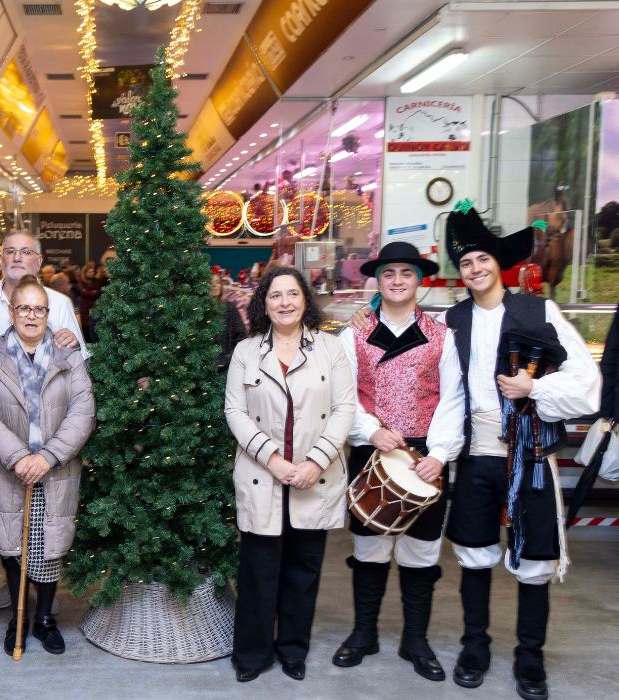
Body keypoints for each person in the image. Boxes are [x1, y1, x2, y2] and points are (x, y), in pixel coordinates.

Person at [437, 205, 599, 700]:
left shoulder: (539, 311)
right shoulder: (454, 320)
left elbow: (587, 385)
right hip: (478, 452)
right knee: (474, 553)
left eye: (482, 260)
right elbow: (451, 395)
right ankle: (475, 646)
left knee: (536, 557)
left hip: (529, 451)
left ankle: (530, 656)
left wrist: (534, 387)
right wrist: (443, 452)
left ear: (498, 263)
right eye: (466, 264)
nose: (475, 270)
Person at [330, 242, 465, 682]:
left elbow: (452, 399)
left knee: (421, 551)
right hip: (373, 452)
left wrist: (440, 455)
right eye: (389, 273)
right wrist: (370, 431)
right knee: (369, 548)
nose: (397, 280)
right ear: (378, 280)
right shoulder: (353, 335)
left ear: (418, 280)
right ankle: (364, 633)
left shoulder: (442, 336)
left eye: (406, 273)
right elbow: (344, 396)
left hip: (426, 456)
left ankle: (415, 639)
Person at [224, 266, 356, 683]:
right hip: (264, 474)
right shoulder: (247, 351)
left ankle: (293, 650)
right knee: (258, 572)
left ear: (305, 300)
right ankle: (252, 654)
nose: (285, 302)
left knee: (303, 571)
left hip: (313, 475)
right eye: (275, 295)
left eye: (292, 294)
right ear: (264, 303)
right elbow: (235, 411)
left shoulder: (330, 348)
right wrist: (273, 459)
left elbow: (344, 409)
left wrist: (316, 461)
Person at [0, 274, 95, 656]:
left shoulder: (67, 357)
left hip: (54, 472)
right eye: (24, 307)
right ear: (11, 311)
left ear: (48, 312)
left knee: (49, 547)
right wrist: (19, 457)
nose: (31, 315)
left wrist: (48, 456)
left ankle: (43, 619)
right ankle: (18, 620)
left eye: (39, 308)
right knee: (13, 546)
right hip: (10, 470)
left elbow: (83, 411)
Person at [0, 231, 87, 355]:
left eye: (26, 252)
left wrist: (72, 345)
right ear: (1, 260)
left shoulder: (60, 303)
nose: (17, 258)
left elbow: (79, 359)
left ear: (39, 261)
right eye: (10, 251)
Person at [211, 271, 247, 372]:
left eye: (217, 282)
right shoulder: (199, 311)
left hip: (227, 366)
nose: (214, 285)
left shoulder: (229, 308)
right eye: (210, 282)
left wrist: (228, 359)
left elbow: (241, 337)